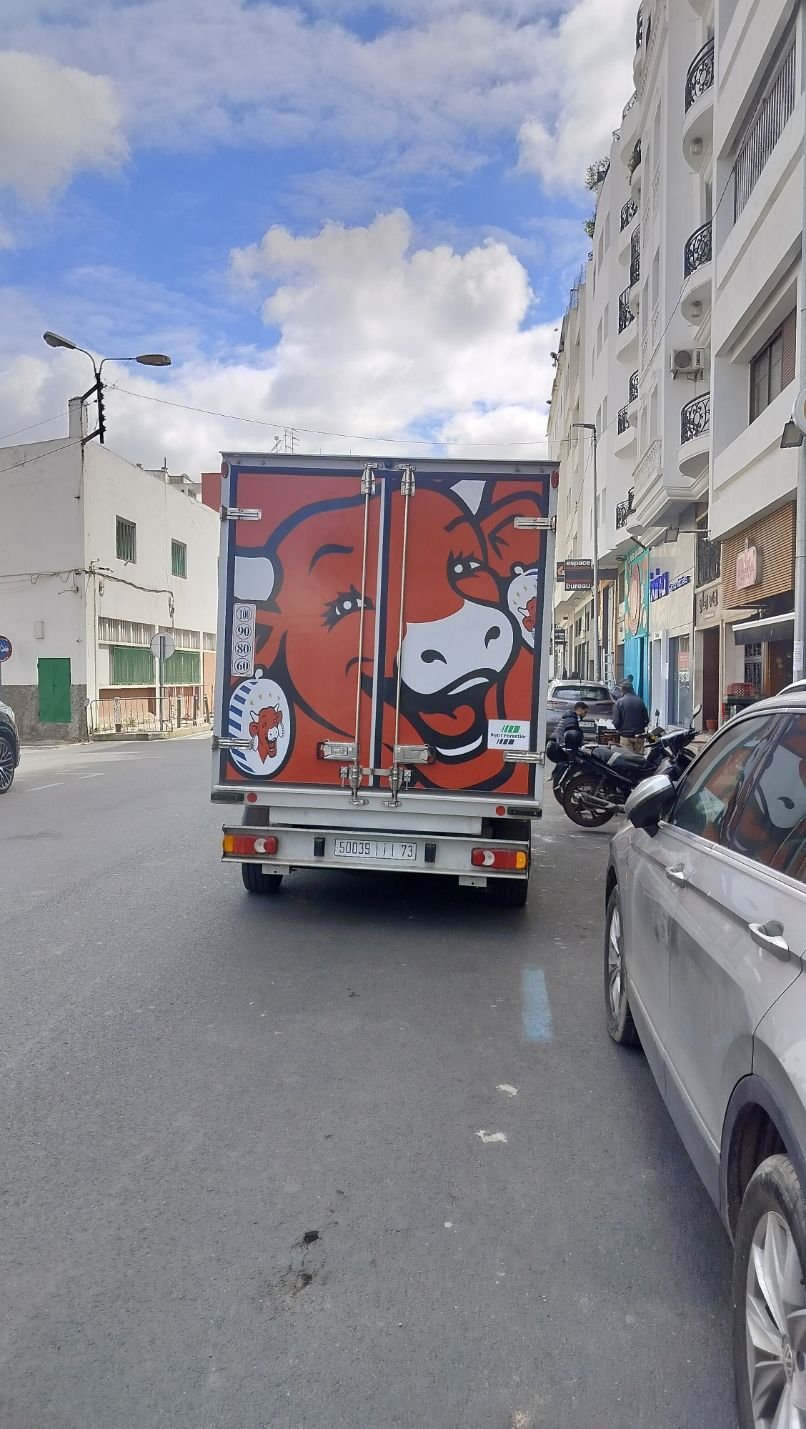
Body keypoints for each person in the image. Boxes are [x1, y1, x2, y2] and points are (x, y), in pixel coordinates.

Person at [612, 681, 649, 753]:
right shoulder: (640, 702)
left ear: (622, 691)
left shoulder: (619, 703)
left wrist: (619, 729)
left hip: (626, 736)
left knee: (628, 759)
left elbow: (616, 722)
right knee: (639, 759)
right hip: (639, 736)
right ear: (633, 689)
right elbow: (646, 720)